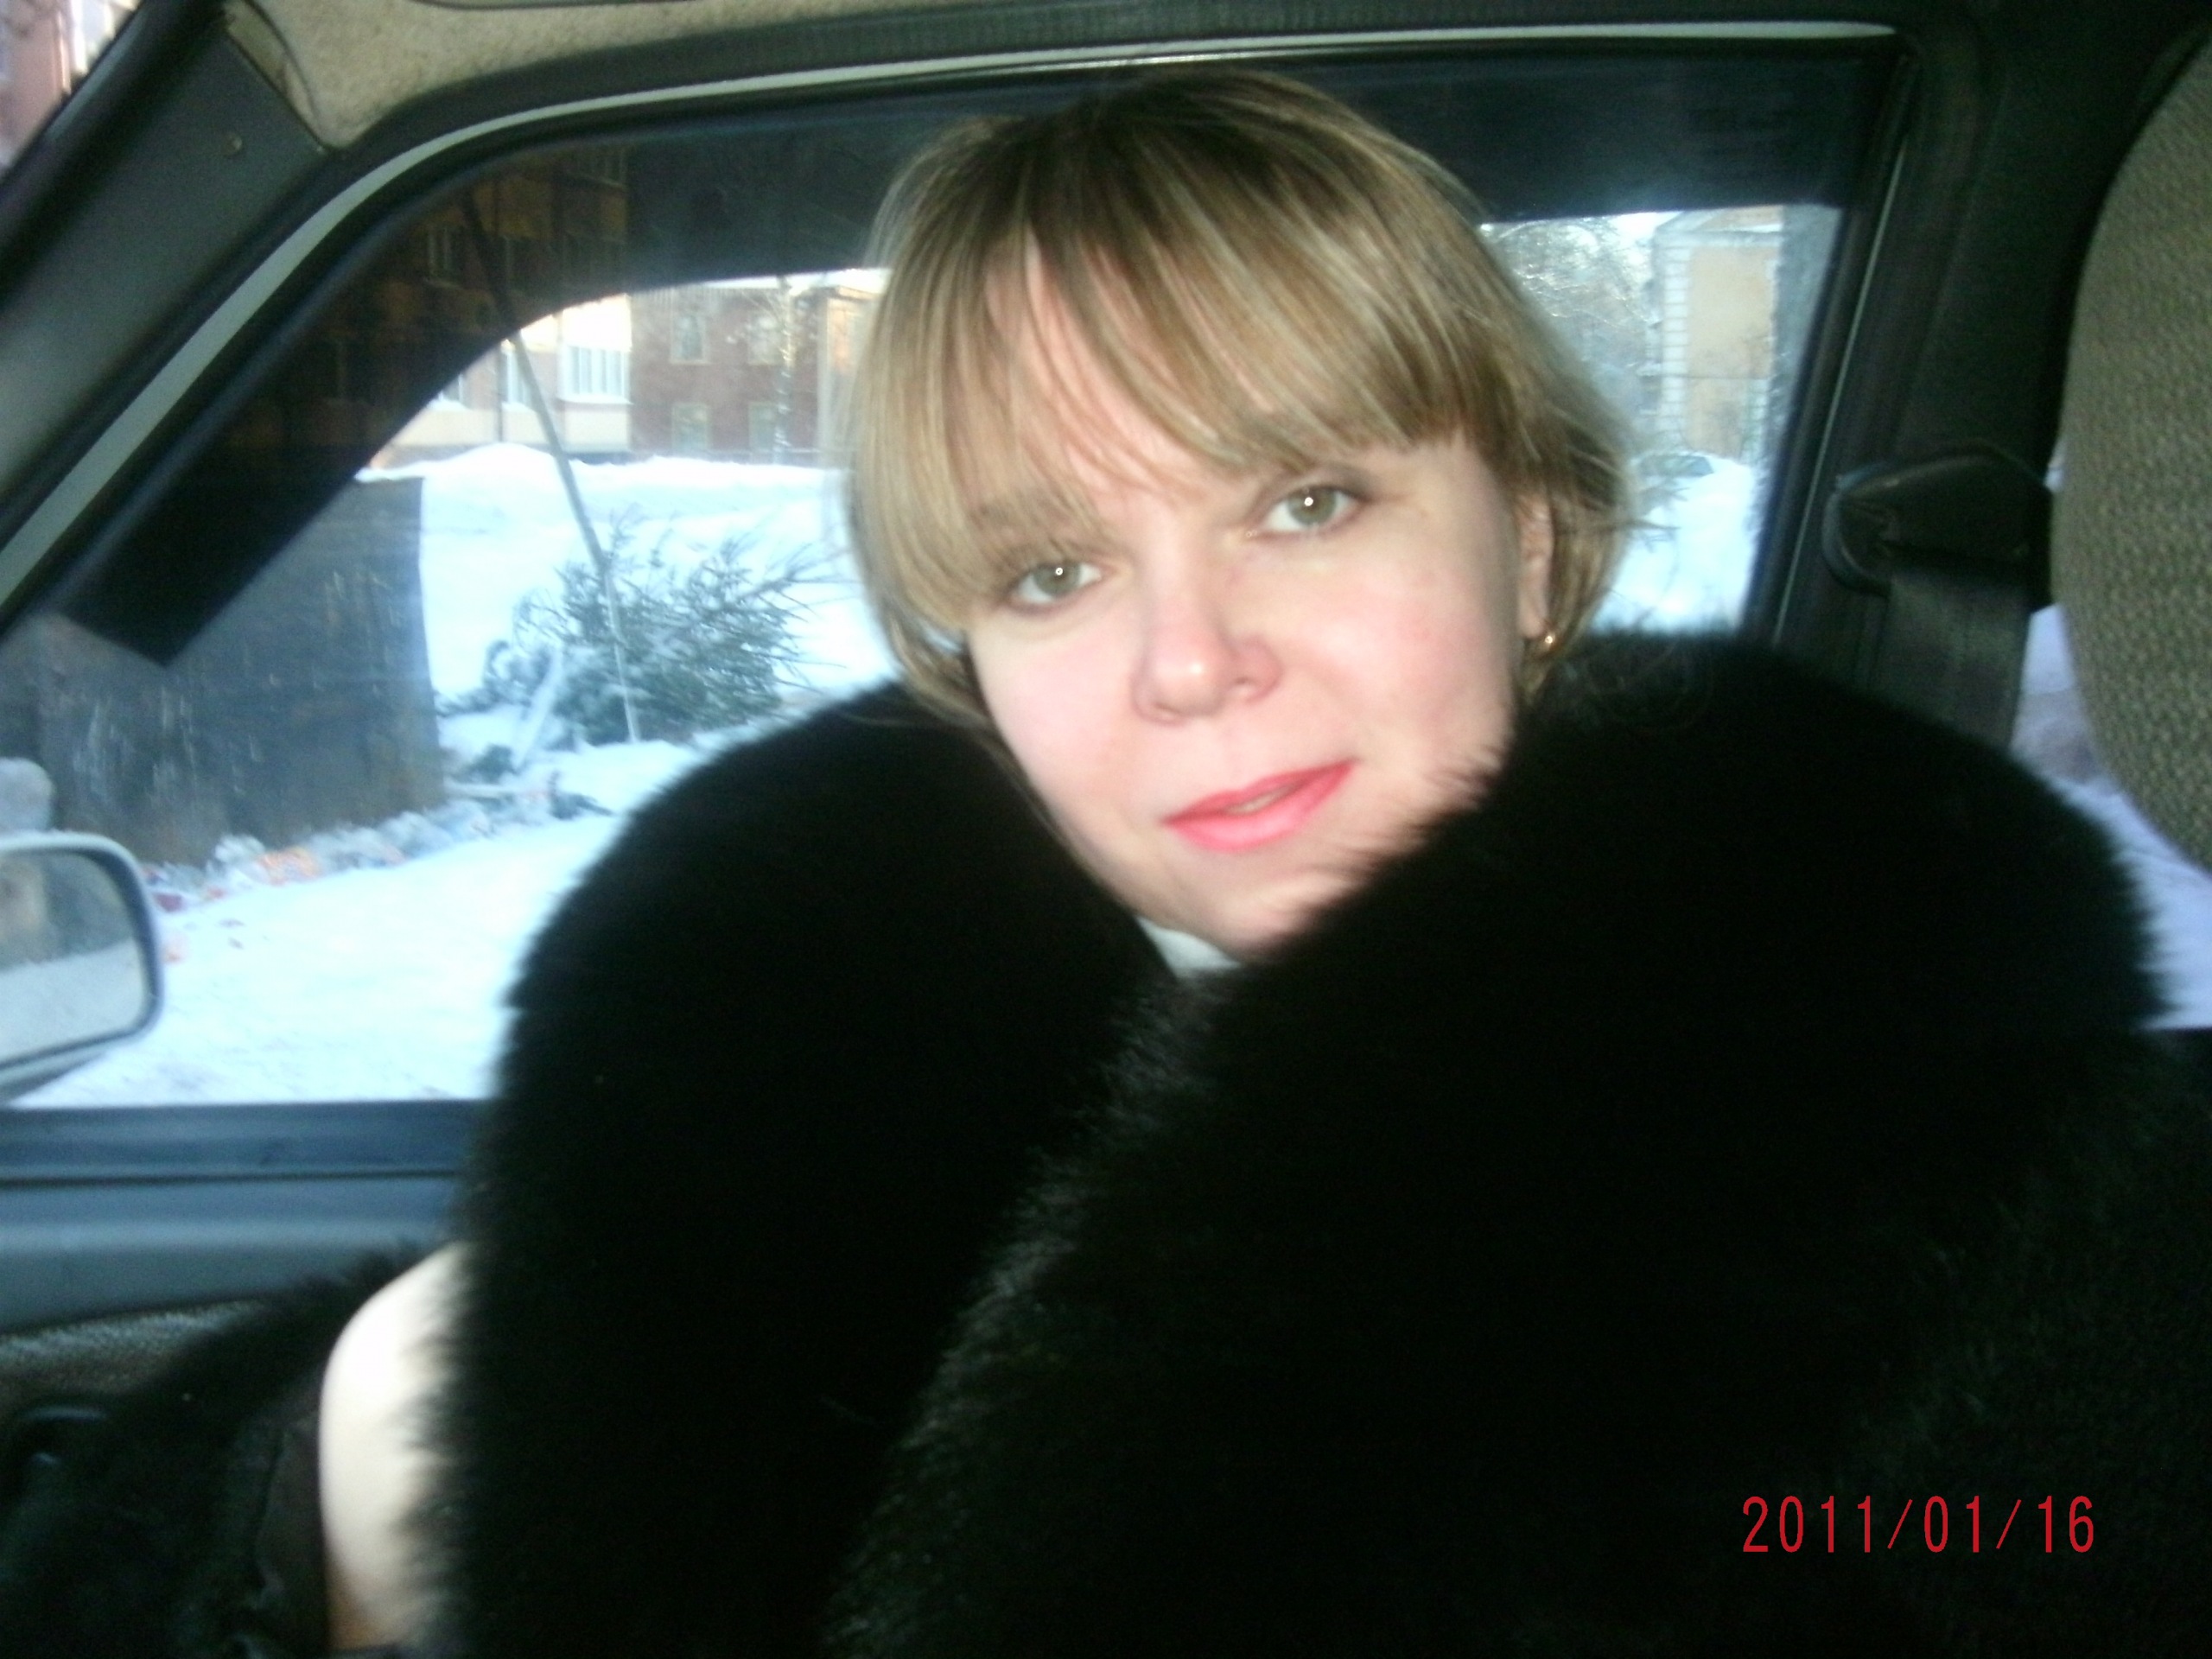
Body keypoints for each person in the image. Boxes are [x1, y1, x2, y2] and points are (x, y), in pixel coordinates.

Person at [3, 70, 2206, 1659]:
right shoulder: (776, 1132)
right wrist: (303, 1515)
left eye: (1305, 502)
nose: (1185, 660)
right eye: (1051, 569)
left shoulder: (2036, 1239)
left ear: (1532, 546)